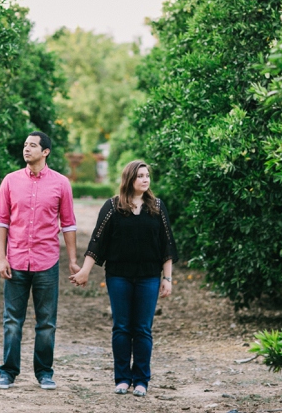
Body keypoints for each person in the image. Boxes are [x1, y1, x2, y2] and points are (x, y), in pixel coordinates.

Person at [69, 160, 178, 397]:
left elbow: (166, 245)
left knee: (142, 329)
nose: (145, 179)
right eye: (140, 175)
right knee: (121, 327)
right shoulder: (112, 206)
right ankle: (122, 379)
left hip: (149, 277)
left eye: (147, 175)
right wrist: (85, 271)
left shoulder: (157, 207)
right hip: (119, 276)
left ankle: (141, 380)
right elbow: (97, 242)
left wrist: (167, 279)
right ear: (129, 179)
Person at [0, 131, 79, 390]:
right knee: (11, 321)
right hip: (16, 260)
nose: (26, 149)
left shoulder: (61, 183)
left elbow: (69, 224)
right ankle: (7, 372)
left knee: (47, 323)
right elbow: (1, 221)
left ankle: (44, 373)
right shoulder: (10, 181)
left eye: (32, 145)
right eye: (25, 145)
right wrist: (2, 258)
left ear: (46, 152)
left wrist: (73, 260)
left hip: (47, 261)